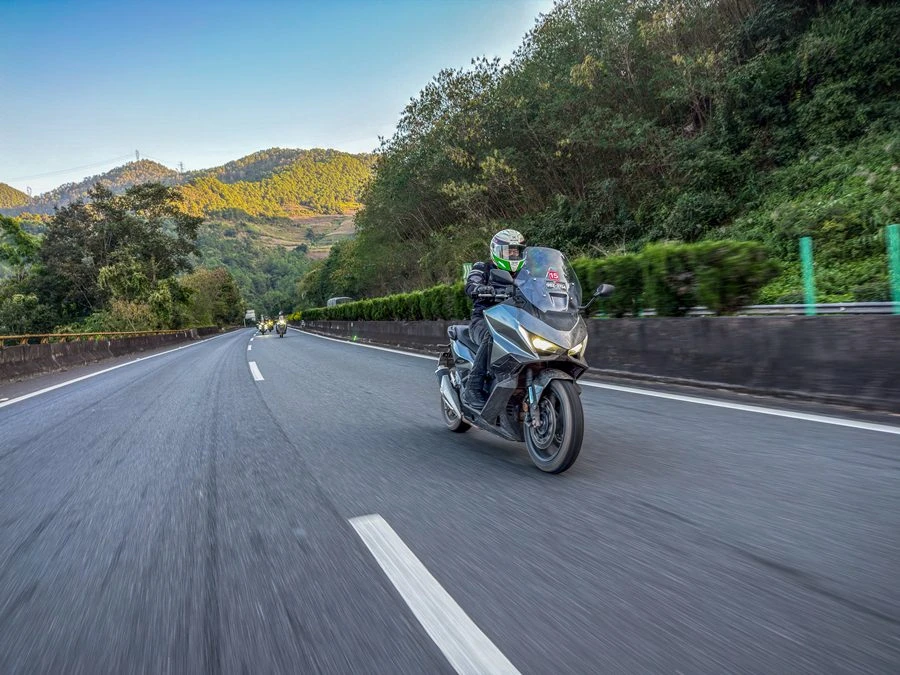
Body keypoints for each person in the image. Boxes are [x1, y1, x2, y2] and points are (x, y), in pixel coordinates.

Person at [461, 228, 526, 409]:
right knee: (493, 334)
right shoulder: (483, 267)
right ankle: (473, 388)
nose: (513, 255)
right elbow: (471, 283)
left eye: (516, 251)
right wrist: (479, 288)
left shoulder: (527, 273)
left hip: (518, 321)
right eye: (508, 251)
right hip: (484, 320)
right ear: (496, 251)